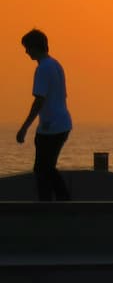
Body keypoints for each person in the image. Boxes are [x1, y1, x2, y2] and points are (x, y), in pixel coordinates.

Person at [15, 29, 72, 201]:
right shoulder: (55, 64)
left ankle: (52, 203)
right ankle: (60, 201)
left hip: (52, 127)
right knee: (46, 167)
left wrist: (24, 128)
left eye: (27, 48)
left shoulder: (43, 69)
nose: (26, 52)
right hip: (60, 124)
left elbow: (39, 101)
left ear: (35, 47)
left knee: (42, 169)